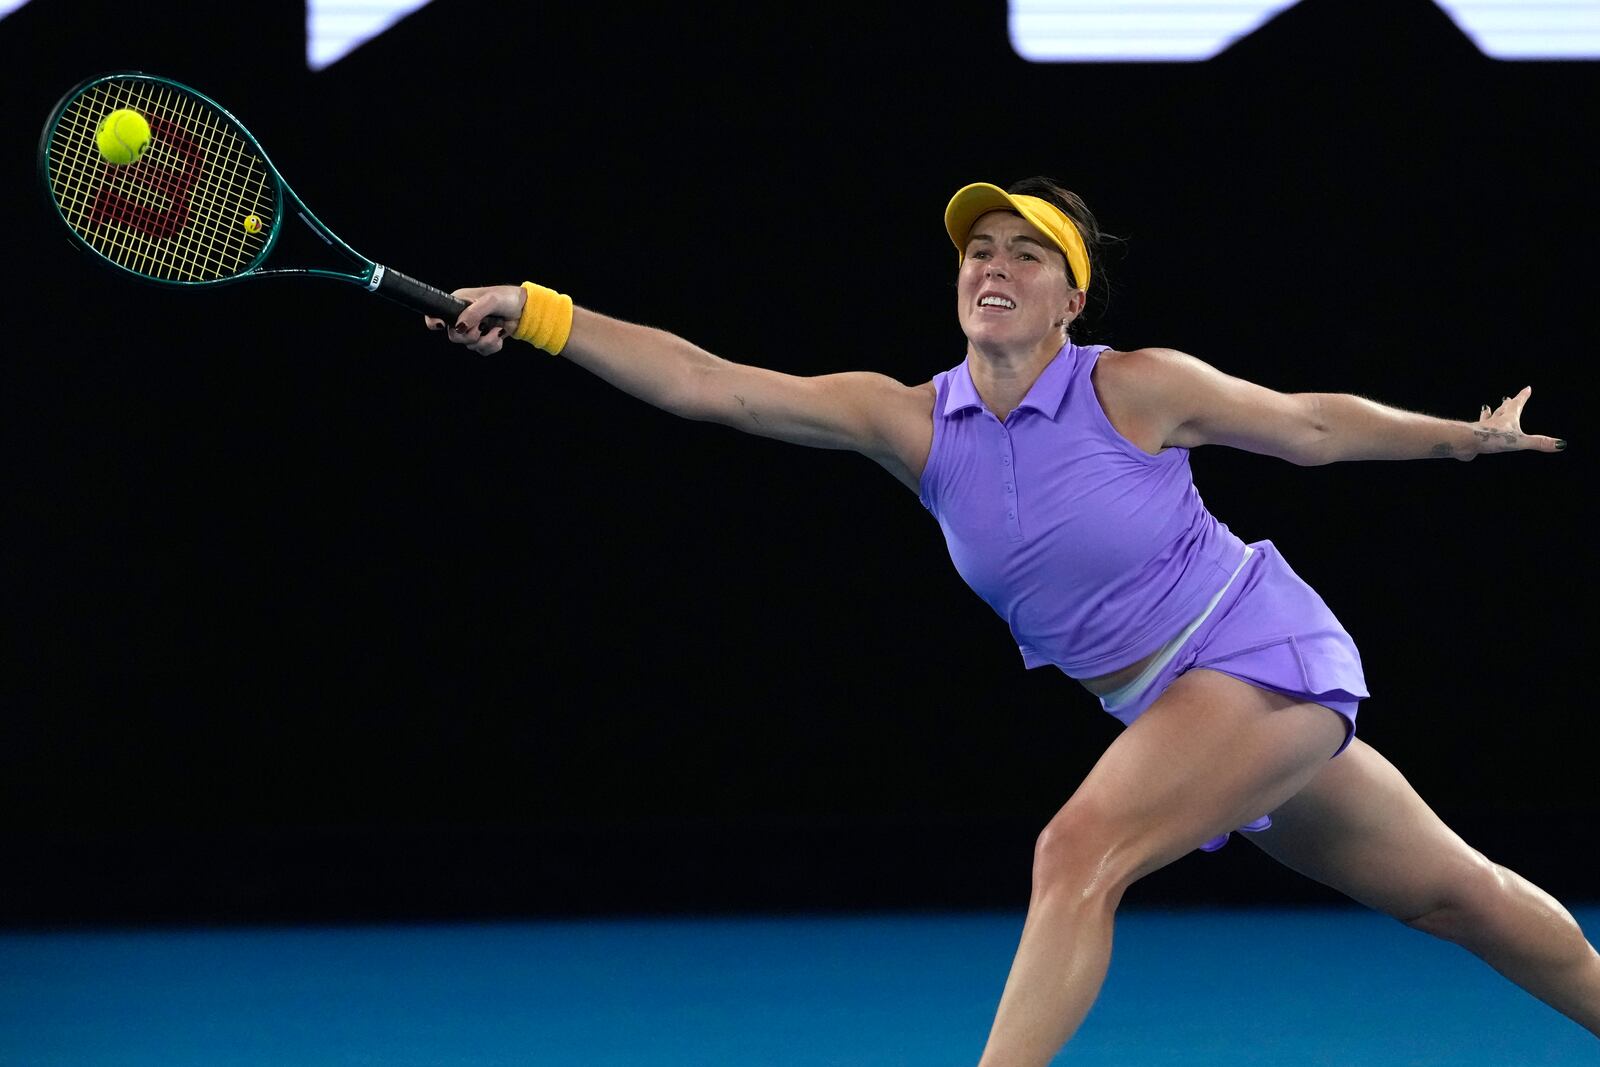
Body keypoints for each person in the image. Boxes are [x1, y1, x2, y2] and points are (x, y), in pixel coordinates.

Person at [425, 178, 1592, 1064]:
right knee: (1458, 896)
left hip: (1253, 650)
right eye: (980, 249)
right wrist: (537, 312)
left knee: (1074, 852)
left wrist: (1463, 435)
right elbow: (706, 381)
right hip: (1170, 704)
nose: (995, 264)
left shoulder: (1129, 383)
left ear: (1070, 298)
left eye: (1029, 255)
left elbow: (1310, 426)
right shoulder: (907, 423)